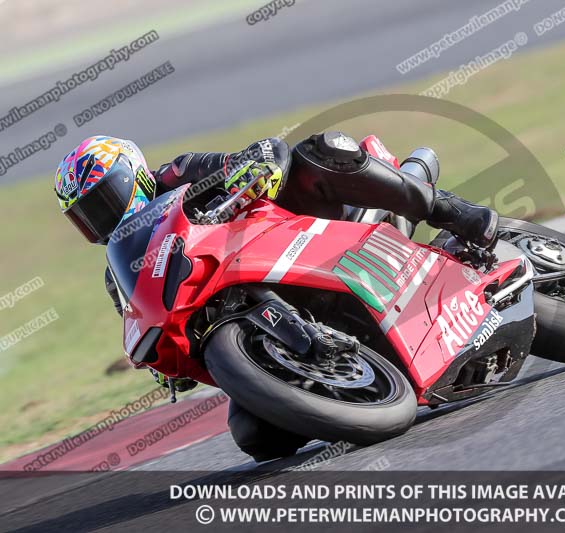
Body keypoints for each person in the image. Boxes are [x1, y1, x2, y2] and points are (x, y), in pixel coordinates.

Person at [54, 132, 498, 461]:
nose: (100, 218)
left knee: (319, 150)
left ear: (132, 175)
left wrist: (258, 165)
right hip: (241, 302)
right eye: (86, 216)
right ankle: (351, 383)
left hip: (298, 234)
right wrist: (162, 363)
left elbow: (265, 152)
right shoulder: (119, 273)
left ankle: (453, 211)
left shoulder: (178, 173)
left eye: (104, 199)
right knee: (255, 436)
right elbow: (143, 316)